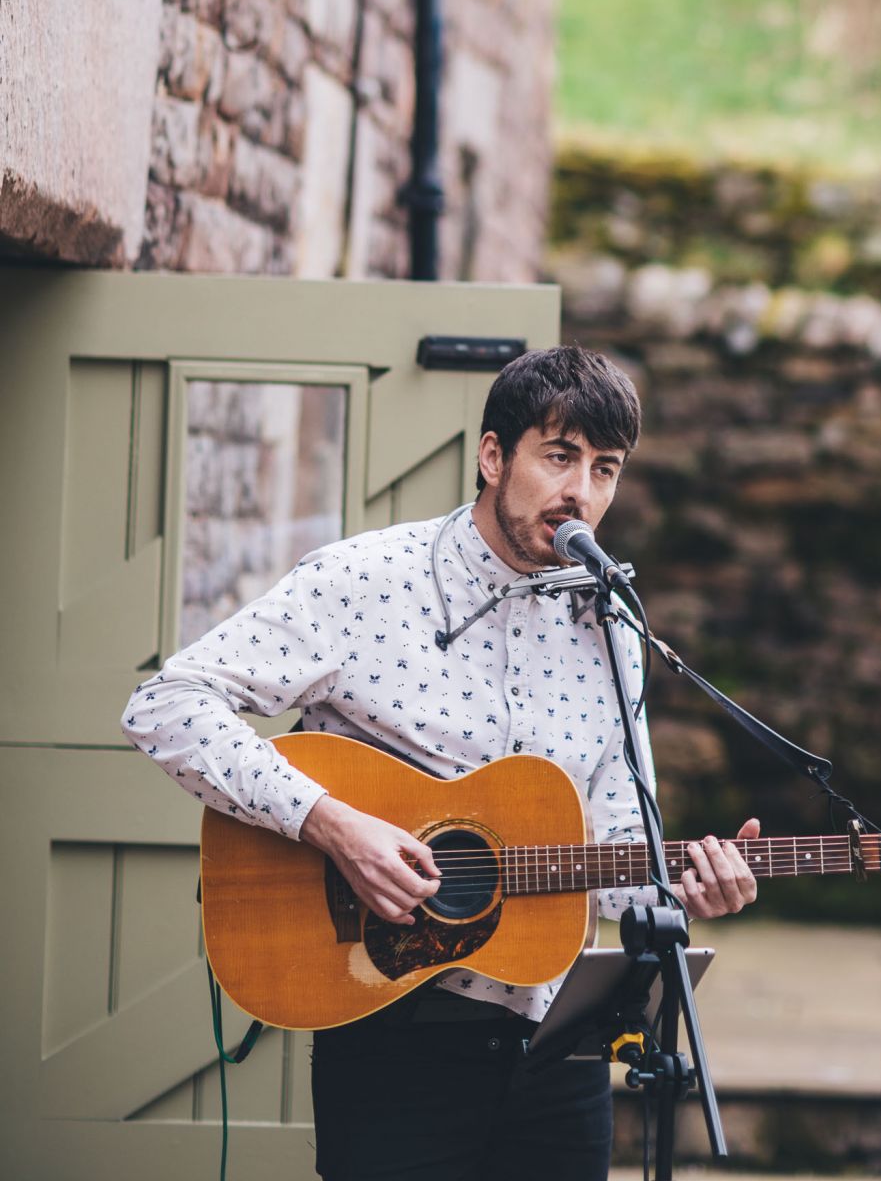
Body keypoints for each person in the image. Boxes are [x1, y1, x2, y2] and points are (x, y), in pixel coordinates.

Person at [122, 344, 759, 1181]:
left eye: (604, 470)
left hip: (558, 1048)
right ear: (493, 456)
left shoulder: (612, 629)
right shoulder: (364, 582)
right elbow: (166, 704)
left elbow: (604, 856)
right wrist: (332, 823)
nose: (582, 494)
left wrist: (682, 886)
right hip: (394, 1037)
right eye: (559, 457)